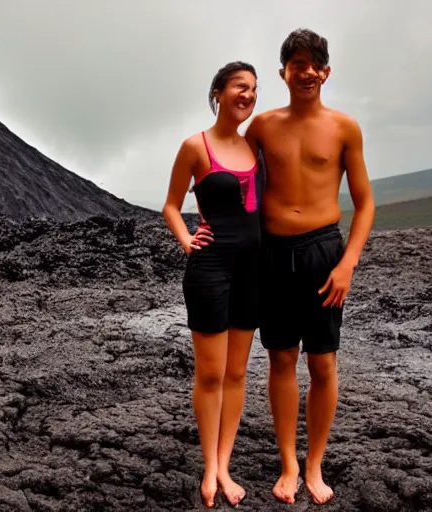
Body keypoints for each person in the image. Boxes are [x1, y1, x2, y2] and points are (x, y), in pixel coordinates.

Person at [245, 28, 375, 505]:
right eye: (296, 63)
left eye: (315, 62)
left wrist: (347, 265)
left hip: (324, 252)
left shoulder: (344, 128)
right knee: (280, 358)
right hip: (274, 254)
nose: (306, 70)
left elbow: (365, 205)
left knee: (322, 362)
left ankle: (315, 464)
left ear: (326, 71)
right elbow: (240, 187)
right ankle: (288, 463)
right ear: (283, 72)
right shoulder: (261, 128)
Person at [163, 61, 263, 508]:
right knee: (210, 374)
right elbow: (170, 204)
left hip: (252, 269)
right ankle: (210, 467)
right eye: (240, 87)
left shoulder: (255, 146)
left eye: (254, 90)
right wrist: (186, 238)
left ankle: (226, 462)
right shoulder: (195, 147)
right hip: (209, 269)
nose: (248, 95)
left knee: (238, 372)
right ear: (218, 92)